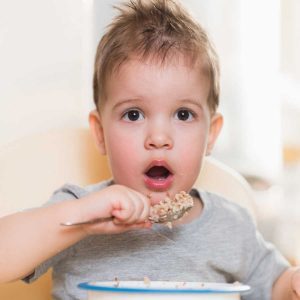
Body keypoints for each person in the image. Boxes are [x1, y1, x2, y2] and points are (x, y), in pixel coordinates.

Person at [0, 0, 299, 299]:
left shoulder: (231, 225)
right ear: (101, 132)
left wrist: (293, 283)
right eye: (133, 114)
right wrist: (79, 219)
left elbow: (275, 286)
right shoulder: (79, 209)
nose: (158, 137)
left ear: (211, 134)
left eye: (183, 114)